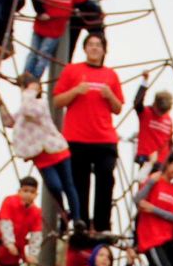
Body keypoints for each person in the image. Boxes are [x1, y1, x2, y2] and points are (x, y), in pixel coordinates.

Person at [52, 32, 124, 231]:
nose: (94, 48)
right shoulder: (72, 70)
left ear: (103, 50)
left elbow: (118, 108)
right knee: (78, 183)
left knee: (106, 178)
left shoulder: (111, 75)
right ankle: (80, 222)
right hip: (77, 137)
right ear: (84, 49)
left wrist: (109, 96)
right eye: (90, 44)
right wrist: (76, 91)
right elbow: (57, 101)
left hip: (104, 138)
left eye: (98, 45)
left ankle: (102, 224)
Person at [0, 78, 81, 228]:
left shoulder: (40, 105)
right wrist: (1, 106)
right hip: (41, 156)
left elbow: (30, 111)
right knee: (55, 186)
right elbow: (9, 122)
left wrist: (31, 90)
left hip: (56, 149)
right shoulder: (24, 109)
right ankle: (63, 214)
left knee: (68, 185)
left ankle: (77, 219)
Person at [24, 0, 90, 81]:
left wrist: (97, 12)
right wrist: (41, 12)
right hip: (41, 26)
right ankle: (26, 74)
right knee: (33, 52)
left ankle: (35, 78)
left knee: (43, 54)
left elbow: (85, 3)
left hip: (55, 31)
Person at [0, 177, 43, 266]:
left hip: (15, 253)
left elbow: (37, 234)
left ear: (36, 194)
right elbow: (5, 222)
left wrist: (33, 254)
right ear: (19, 191)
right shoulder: (9, 201)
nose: (28, 194)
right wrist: (9, 243)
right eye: (25, 191)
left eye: (32, 192)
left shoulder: (36, 212)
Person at [132, 81, 173, 169]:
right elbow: (137, 102)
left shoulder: (168, 120)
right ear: (154, 103)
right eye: (159, 110)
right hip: (146, 158)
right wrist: (144, 83)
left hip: (162, 161)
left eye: (163, 112)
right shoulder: (145, 112)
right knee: (145, 181)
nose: (160, 114)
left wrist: (172, 160)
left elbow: (170, 142)